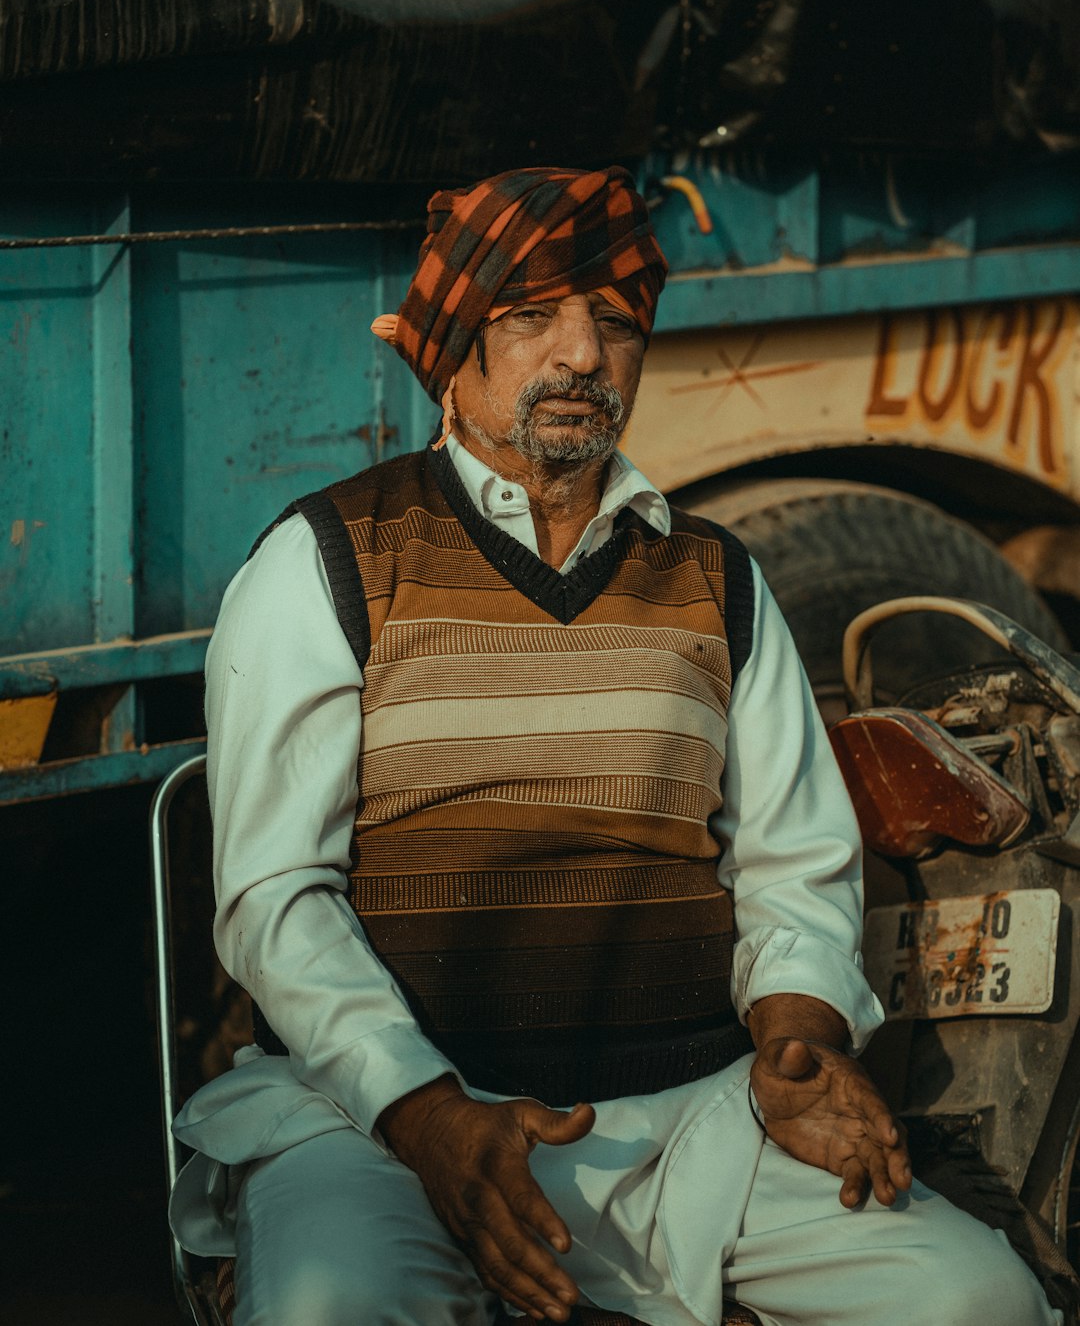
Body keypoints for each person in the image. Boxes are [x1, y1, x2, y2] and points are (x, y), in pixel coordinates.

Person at [171, 166, 1061, 1326]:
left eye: (617, 324)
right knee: (330, 1307)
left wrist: (796, 1043)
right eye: (533, 316)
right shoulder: (324, 560)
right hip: (386, 1122)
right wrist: (425, 1113)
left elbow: (795, 864)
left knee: (975, 1302)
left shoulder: (717, 579)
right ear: (454, 350)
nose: (584, 355)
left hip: (698, 1120)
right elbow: (276, 898)